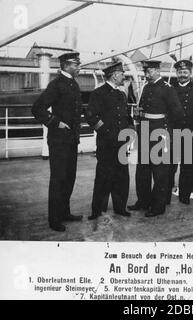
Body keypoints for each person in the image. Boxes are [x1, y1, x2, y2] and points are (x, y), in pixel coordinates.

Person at [32, 52, 83, 232]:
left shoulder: (73, 84)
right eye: (76, 64)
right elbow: (37, 108)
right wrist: (55, 122)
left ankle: (64, 212)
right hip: (59, 141)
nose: (79, 67)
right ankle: (54, 219)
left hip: (71, 141)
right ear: (66, 65)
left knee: (69, 177)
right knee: (58, 179)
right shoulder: (56, 85)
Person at [128, 60, 184, 217]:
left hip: (160, 134)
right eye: (145, 72)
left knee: (160, 172)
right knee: (142, 170)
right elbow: (140, 107)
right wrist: (137, 125)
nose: (146, 74)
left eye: (149, 71)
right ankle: (143, 201)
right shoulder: (146, 87)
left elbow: (178, 113)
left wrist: (167, 130)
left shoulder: (168, 89)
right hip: (145, 132)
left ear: (157, 71)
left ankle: (158, 206)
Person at [86, 62, 132, 220]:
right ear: (114, 75)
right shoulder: (98, 93)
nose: (123, 77)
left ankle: (120, 208)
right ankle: (97, 209)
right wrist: (107, 133)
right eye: (122, 74)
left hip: (121, 143)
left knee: (121, 177)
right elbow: (91, 117)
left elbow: (125, 116)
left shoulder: (121, 94)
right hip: (106, 143)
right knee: (103, 176)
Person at [167, 59, 193, 205]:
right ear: (176, 73)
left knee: (188, 168)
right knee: (170, 167)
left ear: (190, 73)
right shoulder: (170, 90)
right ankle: (166, 197)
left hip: (191, 135)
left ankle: (184, 196)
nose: (182, 74)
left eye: (185, 72)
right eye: (180, 72)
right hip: (174, 134)